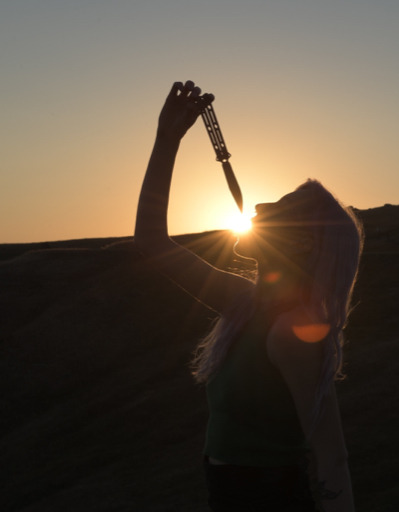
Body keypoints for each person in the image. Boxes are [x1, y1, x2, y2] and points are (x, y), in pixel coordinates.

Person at [135, 80, 363, 512]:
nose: (259, 209)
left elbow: (332, 456)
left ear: (301, 244)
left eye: (280, 207)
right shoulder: (248, 303)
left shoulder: (292, 332)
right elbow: (150, 240)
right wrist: (166, 141)